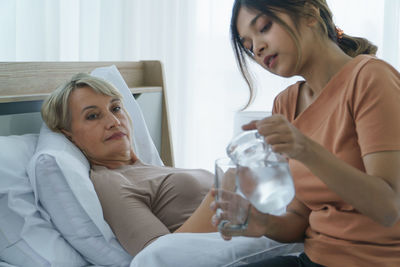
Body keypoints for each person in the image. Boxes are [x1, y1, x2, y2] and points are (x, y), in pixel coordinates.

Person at [211, 0, 400, 266]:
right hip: (314, 260)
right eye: (248, 45)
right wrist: (258, 221)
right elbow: (299, 217)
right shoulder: (286, 104)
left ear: (310, 13)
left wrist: (305, 149)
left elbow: (389, 207)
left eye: (264, 27)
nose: (258, 48)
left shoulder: (370, 78)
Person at [41, 73, 217, 257]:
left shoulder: (151, 169)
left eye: (116, 108)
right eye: (93, 116)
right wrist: (219, 196)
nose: (113, 122)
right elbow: (160, 257)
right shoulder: (110, 182)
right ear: (70, 136)